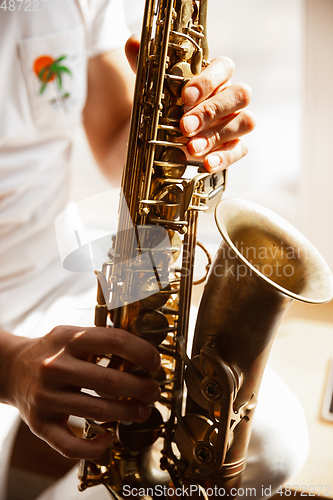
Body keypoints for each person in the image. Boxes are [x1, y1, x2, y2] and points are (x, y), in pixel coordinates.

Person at [0, 1, 307, 499]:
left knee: (274, 444)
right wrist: (10, 367)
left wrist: (179, 134)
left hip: (54, 282)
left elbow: (113, 134)